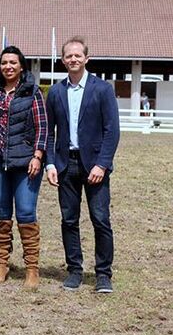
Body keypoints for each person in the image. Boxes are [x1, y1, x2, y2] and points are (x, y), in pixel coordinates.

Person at [46, 37, 120, 294]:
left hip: (95, 165)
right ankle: (74, 270)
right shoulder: (56, 92)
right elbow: (49, 132)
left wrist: (102, 164)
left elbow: (112, 131)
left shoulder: (103, 89)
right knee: (69, 219)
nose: (73, 59)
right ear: (62, 60)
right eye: (69, 56)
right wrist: (50, 164)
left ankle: (103, 274)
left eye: (78, 55)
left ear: (87, 58)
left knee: (100, 219)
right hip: (65, 164)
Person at [0, 45, 47, 289]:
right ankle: (1, 264)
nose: (8, 66)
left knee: (26, 213)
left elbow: (42, 126)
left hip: (25, 163)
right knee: (1, 214)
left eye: (13, 63)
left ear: (21, 66)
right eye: (4, 62)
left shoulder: (32, 93)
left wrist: (37, 155)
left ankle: (32, 269)